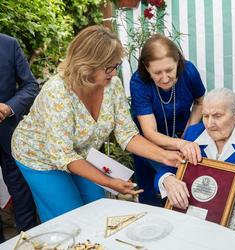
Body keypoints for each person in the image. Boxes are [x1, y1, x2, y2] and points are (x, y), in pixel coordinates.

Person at [11, 25, 183, 223]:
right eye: (108, 67)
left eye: (116, 65)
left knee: (96, 206)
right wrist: (110, 182)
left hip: (78, 154)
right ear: (87, 64)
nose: (113, 72)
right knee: (70, 217)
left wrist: (165, 156)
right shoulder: (57, 91)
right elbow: (62, 155)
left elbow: (127, 134)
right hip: (39, 157)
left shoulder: (112, 85)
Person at [155, 88, 235, 240]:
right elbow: (167, 167)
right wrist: (168, 180)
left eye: (217, 116)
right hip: (195, 209)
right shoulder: (193, 134)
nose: (210, 124)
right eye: (205, 116)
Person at [130, 34, 206, 206]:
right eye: (157, 72)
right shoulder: (138, 82)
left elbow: (200, 102)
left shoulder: (189, 71)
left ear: (178, 61)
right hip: (151, 148)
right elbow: (149, 132)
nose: (164, 78)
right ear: (146, 68)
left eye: (169, 70)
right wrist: (180, 144)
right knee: (153, 198)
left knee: (188, 194)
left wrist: (188, 137)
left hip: (185, 138)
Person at [0, 33, 38, 242]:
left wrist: (8, 107)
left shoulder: (9, 44)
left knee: (23, 198)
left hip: (10, 138)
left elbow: (30, 85)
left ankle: (29, 242)